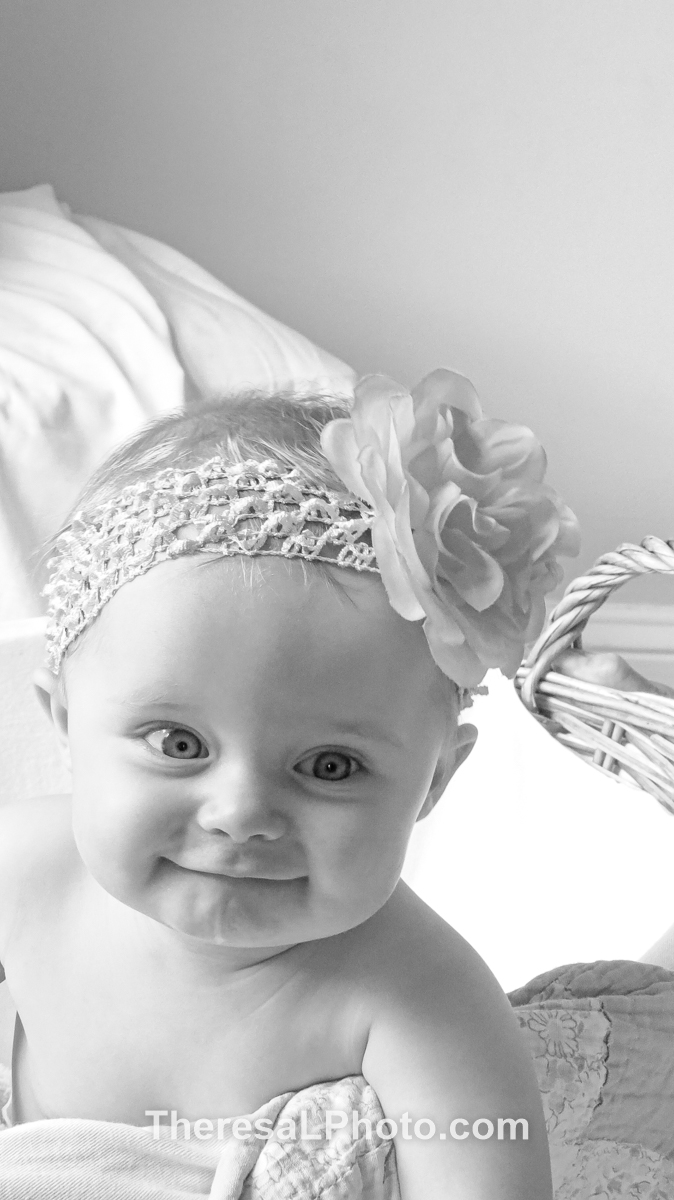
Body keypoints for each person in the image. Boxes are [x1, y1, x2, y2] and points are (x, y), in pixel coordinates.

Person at [0, 369, 579, 1199]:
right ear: (64, 723)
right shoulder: (21, 869)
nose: (240, 814)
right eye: (178, 744)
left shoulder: (422, 1005)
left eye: (330, 766)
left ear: (434, 780)